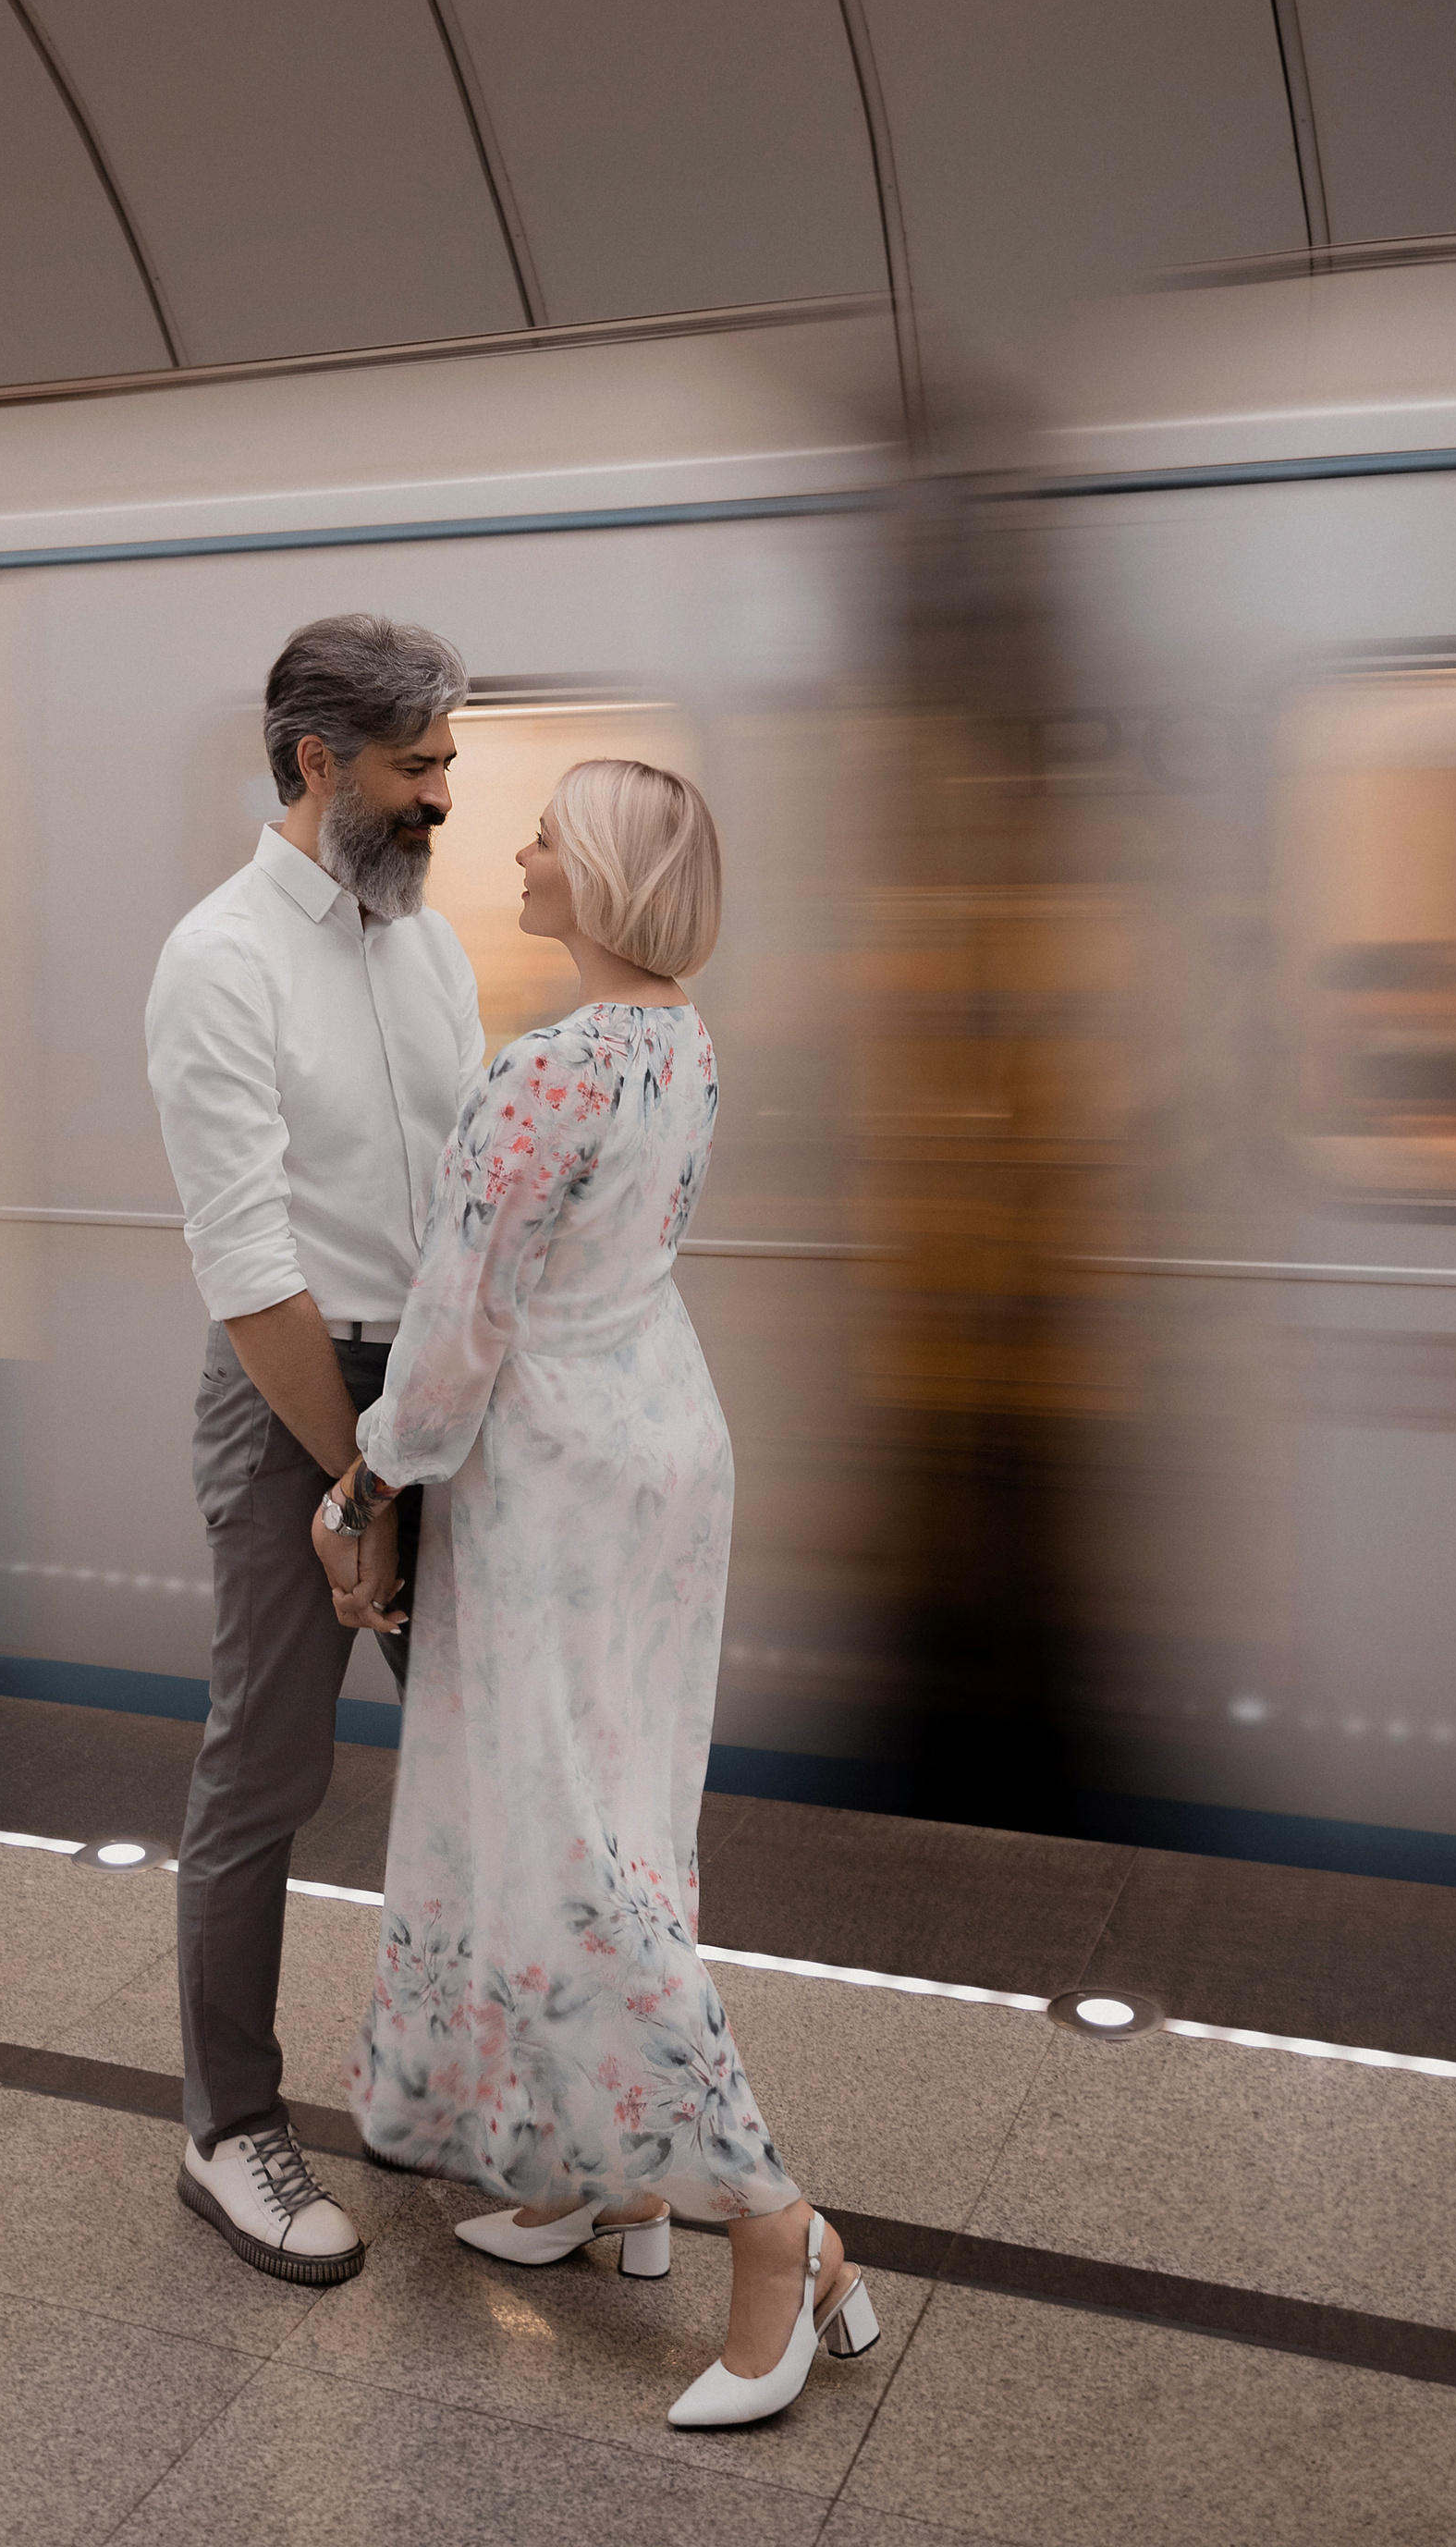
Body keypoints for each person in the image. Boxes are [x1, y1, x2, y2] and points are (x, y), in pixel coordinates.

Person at [318, 758, 877, 2426]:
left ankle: (780, 2232)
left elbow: (455, 1333)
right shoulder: (685, 1044)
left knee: (568, 1856)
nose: (523, 848)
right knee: (619, 1816)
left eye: (551, 833)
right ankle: (605, 2187)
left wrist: (363, 1485)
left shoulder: (542, 1075)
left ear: (610, 876)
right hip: (664, 1451)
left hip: (553, 1485)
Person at [146, 612, 484, 2286]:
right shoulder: (218, 961)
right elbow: (249, 1266)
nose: (443, 799)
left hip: (430, 1406)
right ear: (315, 766)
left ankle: (476, 2113)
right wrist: (352, 1478)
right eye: (418, 768)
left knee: (485, 1767)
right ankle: (229, 2132)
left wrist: (429, 1438)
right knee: (266, 1772)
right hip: (294, 1404)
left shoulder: (430, 949)